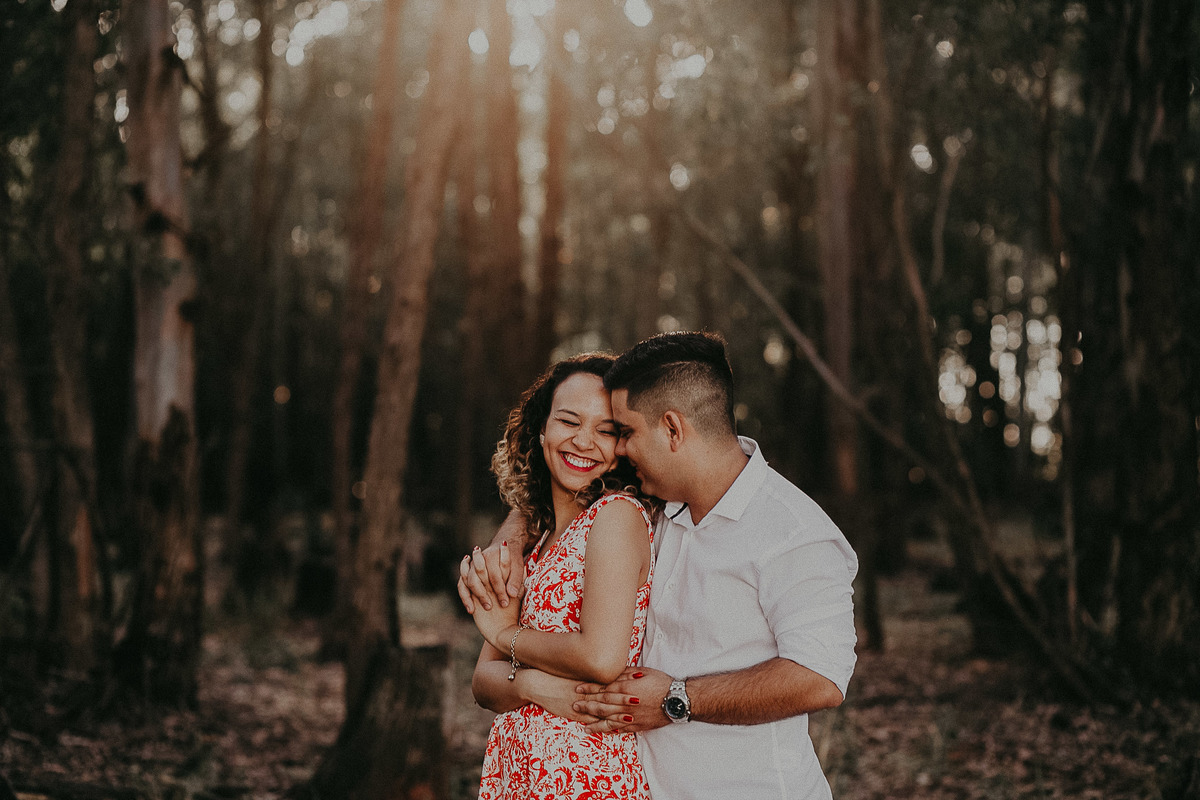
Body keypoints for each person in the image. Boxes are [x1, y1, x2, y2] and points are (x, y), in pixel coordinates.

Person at [461, 332, 858, 800]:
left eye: (622, 432)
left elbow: (822, 679)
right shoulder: (661, 508)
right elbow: (563, 497)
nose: (619, 450)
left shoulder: (793, 530)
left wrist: (677, 699)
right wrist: (506, 548)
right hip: (647, 784)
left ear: (673, 429)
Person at [461, 353, 660, 800]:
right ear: (542, 429)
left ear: (622, 446)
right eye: (569, 421)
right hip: (520, 772)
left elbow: (601, 657)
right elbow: (482, 683)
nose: (584, 441)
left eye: (605, 430)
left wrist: (508, 637)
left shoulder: (616, 517)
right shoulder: (538, 535)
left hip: (584, 774)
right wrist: (534, 685)